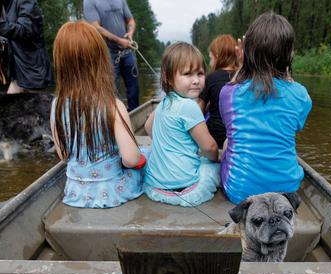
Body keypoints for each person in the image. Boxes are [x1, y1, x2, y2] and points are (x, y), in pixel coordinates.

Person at [220, 12, 312, 205]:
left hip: (239, 192)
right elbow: (295, 126)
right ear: (289, 55)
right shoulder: (301, 95)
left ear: (248, 53)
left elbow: (237, 86)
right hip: (286, 193)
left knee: (230, 140)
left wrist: (243, 64)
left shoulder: (228, 93)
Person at [50, 21, 144, 208]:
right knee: (145, 157)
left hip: (75, 192)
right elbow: (131, 159)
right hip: (111, 192)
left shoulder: (56, 105)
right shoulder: (113, 105)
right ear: (101, 60)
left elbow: (64, 156)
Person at [143, 42, 220, 207]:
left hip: (155, 188)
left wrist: (166, 144)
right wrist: (218, 158)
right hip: (187, 190)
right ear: (169, 78)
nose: (196, 81)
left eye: (200, 73)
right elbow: (210, 147)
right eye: (187, 74)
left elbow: (148, 127)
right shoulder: (190, 106)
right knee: (211, 166)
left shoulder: (164, 102)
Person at [0, 0, 53, 94]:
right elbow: (2, 29)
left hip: (33, 76)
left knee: (33, 108)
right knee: (4, 108)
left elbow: (24, 31)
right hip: (17, 74)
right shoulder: (6, 4)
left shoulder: (26, 2)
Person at [83, 0, 139, 111]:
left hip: (127, 51)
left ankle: (134, 114)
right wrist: (119, 40)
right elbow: (96, 27)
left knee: (134, 88)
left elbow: (130, 20)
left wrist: (130, 33)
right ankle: (115, 118)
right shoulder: (89, 2)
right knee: (112, 91)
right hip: (107, 53)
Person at [199, 35, 239, 147]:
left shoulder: (211, 78)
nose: (210, 63)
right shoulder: (243, 77)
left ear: (217, 56)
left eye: (211, 58)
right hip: (237, 138)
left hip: (215, 138)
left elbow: (199, 113)